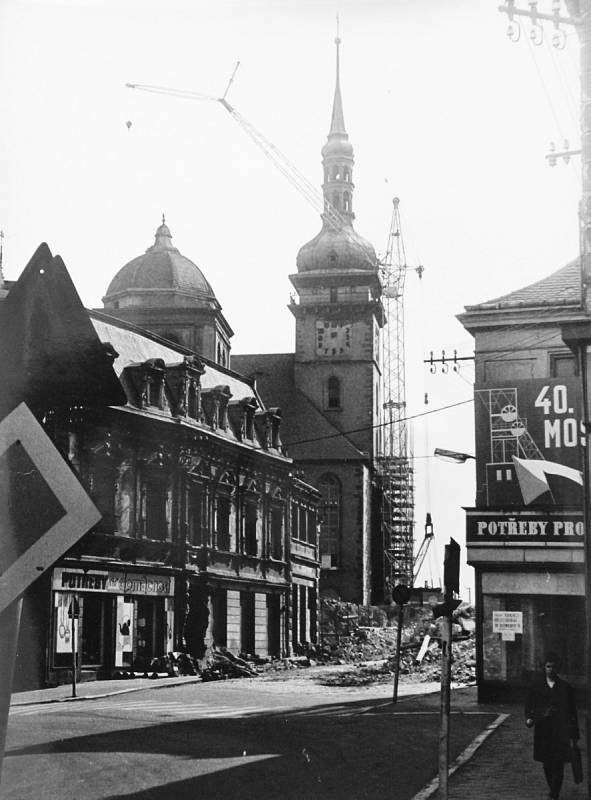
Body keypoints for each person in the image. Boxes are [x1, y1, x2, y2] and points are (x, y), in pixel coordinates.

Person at [525, 652, 579, 800]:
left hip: (560, 731)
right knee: (547, 763)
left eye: (554, 667)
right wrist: (529, 718)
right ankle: (552, 789)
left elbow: (572, 712)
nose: (551, 670)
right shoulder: (536, 686)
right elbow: (529, 705)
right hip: (543, 730)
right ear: (544, 667)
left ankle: (554, 793)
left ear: (558, 669)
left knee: (558, 762)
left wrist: (574, 735)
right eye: (548, 666)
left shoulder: (565, 688)